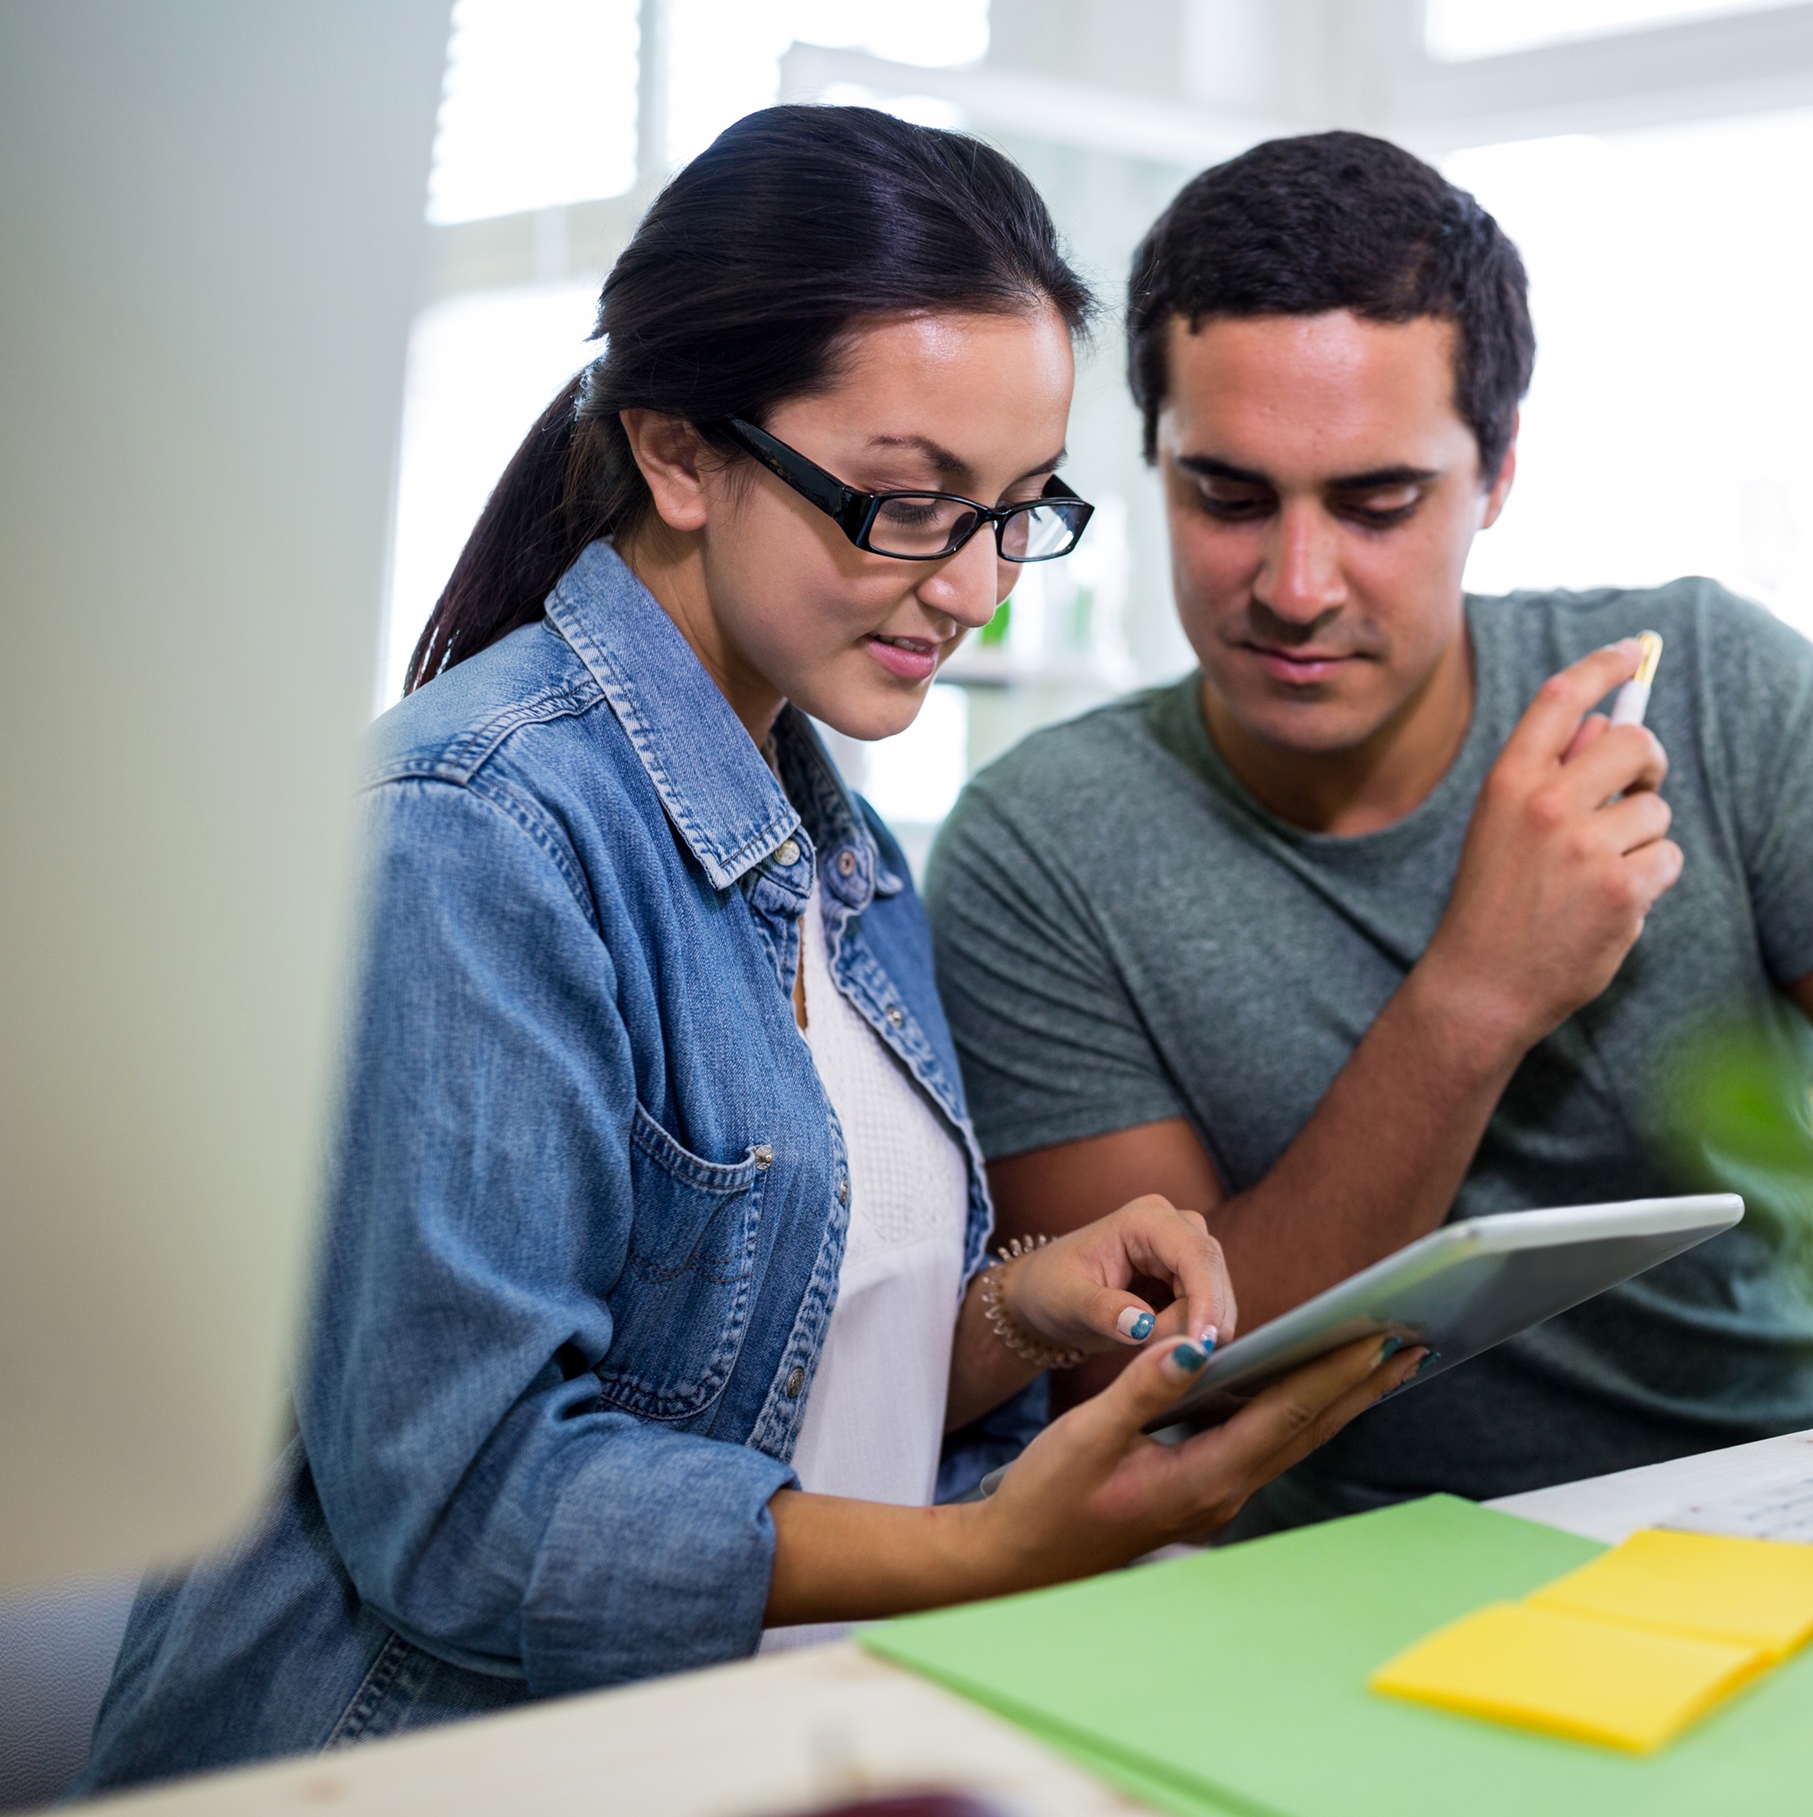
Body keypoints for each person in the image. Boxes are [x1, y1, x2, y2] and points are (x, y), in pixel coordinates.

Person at [77, 108, 1421, 1793]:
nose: (980, 589)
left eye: (1020, 509)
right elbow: (472, 1505)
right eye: (913, 503)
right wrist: (990, 1552)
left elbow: (759, 1373)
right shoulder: (474, 827)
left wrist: (1019, 1308)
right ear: (678, 452)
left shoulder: (829, 833)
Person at [925, 131, 1813, 1534]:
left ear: (1498, 476)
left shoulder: (1717, 694)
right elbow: (1174, 1378)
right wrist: (1479, 992)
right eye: (1227, 497)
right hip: (1348, 1602)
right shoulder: (1042, 846)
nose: (1297, 584)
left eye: (1378, 502)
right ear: (1155, 460)